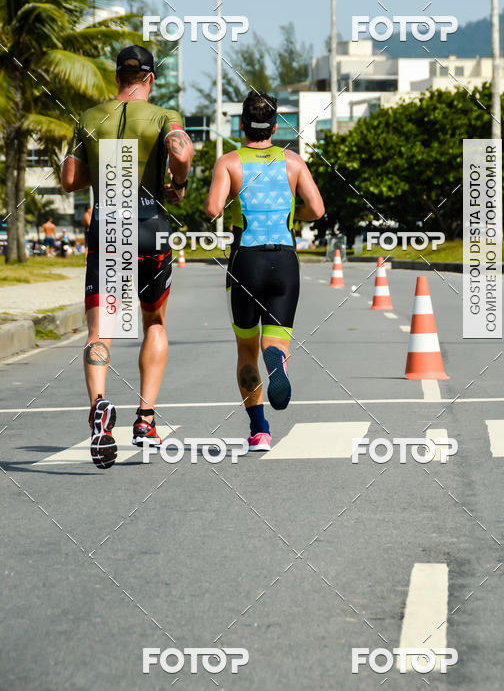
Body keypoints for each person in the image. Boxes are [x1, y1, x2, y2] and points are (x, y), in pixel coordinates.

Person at [61, 45, 194, 469]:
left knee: (101, 329)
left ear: (117, 77)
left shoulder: (88, 117)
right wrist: (179, 182)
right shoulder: (161, 117)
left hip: (108, 222)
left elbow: (69, 179)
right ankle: (145, 419)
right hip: (149, 221)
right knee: (153, 321)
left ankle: (99, 405)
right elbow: (182, 151)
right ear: (149, 79)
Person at [205, 90, 324, 452]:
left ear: (241, 125)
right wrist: (291, 216)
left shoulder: (229, 162)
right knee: (275, 341)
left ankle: (259, 430)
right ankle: (279, 366)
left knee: (245, 348)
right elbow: (316, 209)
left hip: (247, 261)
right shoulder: (293, 162)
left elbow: (212, 209)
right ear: (275, 126)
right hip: (285, 261)